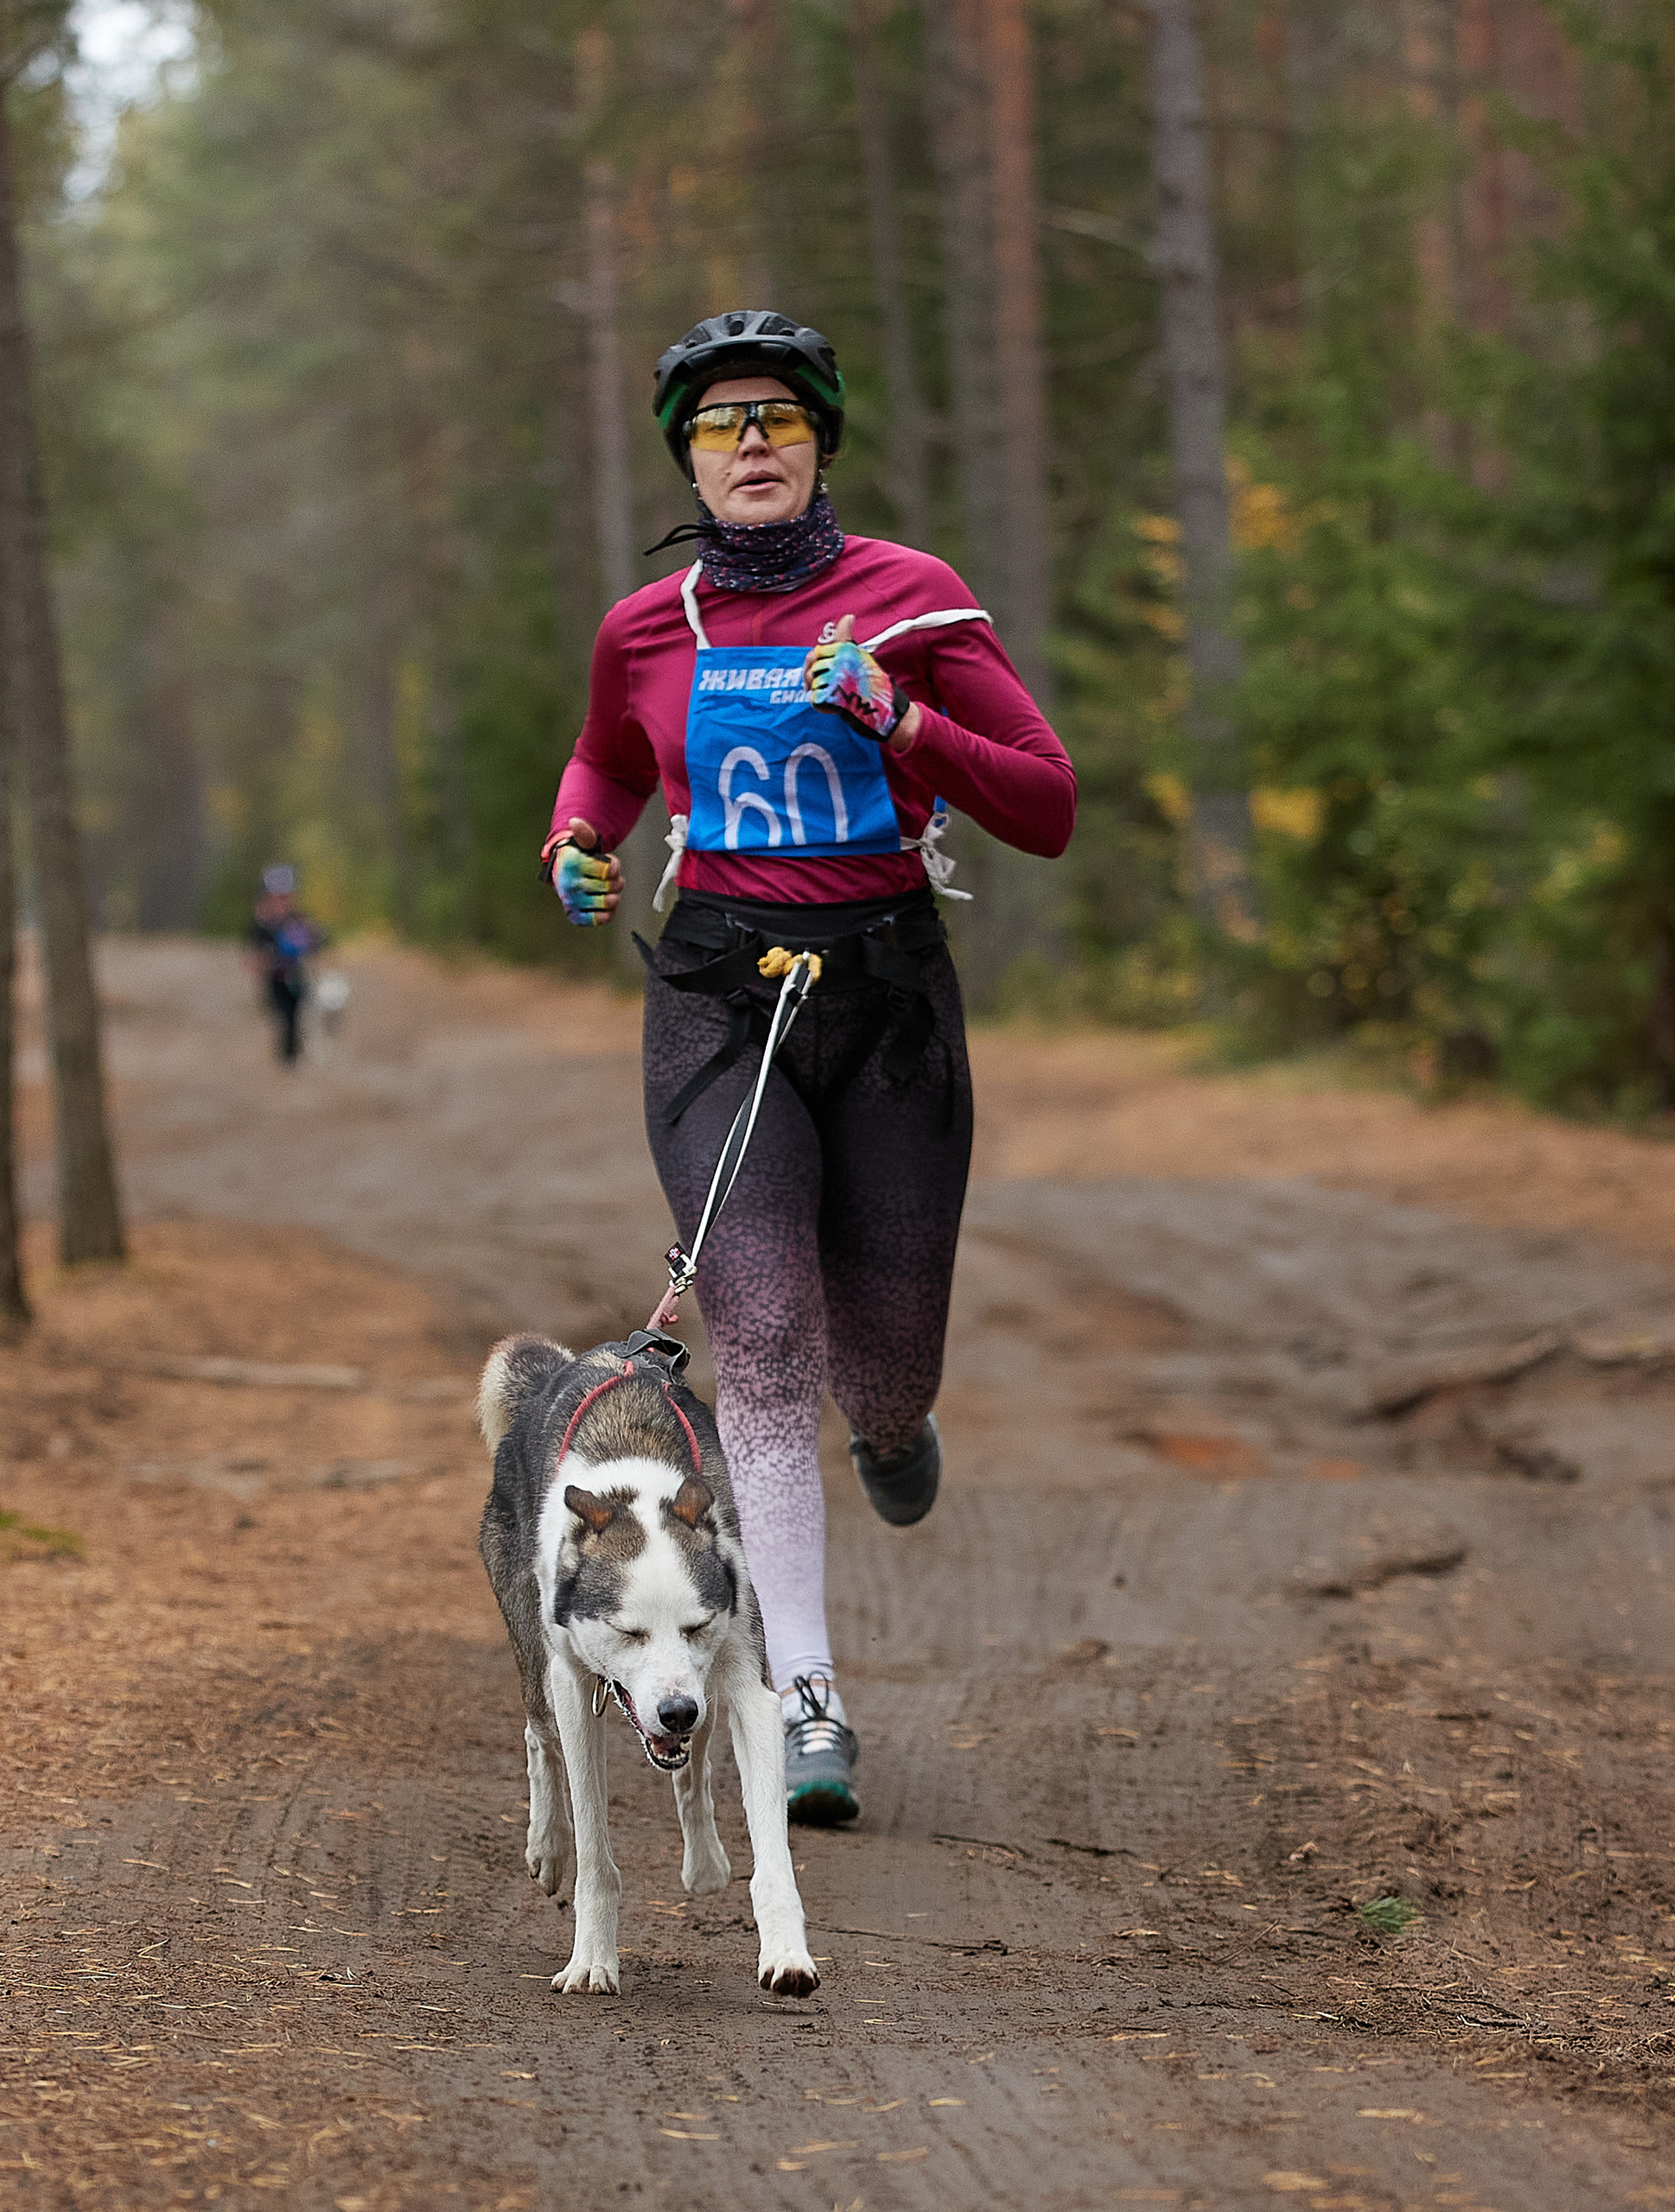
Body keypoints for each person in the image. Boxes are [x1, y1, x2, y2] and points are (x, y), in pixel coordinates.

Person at [540, 310, 1076, 1825]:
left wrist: (900, 715)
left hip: (891, 994)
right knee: (763, 1341)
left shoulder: (913, 599)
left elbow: (1046, 804)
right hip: (718, 996)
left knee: (882, 1360)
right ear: (689, 462)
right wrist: (579, 844)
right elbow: (608, 767)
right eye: (721, 426)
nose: (752, 443)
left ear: (821, 442)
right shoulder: (648, 625)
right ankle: (810, 1695)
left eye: (778, 417)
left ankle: (896, 1426)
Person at [247, 864, 317, 1065]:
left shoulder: (298, 921)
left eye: (286, 896)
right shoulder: (264, 924)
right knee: (283, 1015)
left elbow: (313, 944)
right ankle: (287, 1055)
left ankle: (292, 1053)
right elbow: (258, 949)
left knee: (294, 1014)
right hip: (276, 978)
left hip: (295, 976)